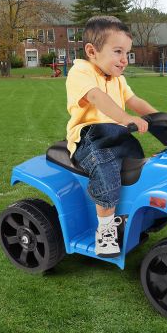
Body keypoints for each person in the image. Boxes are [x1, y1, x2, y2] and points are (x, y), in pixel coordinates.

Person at [66, 15, 158, 258]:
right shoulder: (81, 72)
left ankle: (127, 215)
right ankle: (104, 231)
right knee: (106, 172)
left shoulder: (119, 79)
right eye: (118, 51)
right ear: (92, 51)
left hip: (118, 134)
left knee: (137, 165)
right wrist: (126, 118)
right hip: (90, 138)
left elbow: (134, 101)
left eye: (127, 53)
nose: (124, 60)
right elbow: (97, 98)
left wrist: (161, 117)